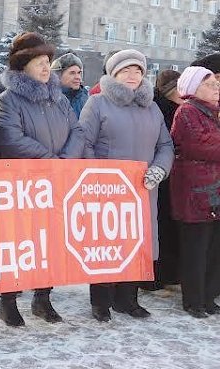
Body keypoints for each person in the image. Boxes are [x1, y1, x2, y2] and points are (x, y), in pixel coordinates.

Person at [0, 32, 84, 326]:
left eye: (48, 62)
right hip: (23, 186)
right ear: (23, 67)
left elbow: (77, 131)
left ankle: (43, 299)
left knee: (52, 243)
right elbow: (10, 138)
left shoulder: (58, 99)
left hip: (57, 183)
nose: (46, 68)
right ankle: (8, 300)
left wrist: (66, 162)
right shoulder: (8, 99)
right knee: (19, 243)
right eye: (38, 62)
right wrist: (51, 161)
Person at [80, 49, 174, 322]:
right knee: (106, 244)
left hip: (143, 189)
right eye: (125, 70)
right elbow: (84, 141)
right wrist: (97, 175)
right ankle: (101, 301)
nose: (132, 76)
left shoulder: (152, 107)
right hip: (105, 191)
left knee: (137, 244)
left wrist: (159, 168)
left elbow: (165, 145)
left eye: (138, 71)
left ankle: (127, 299)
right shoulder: (97, 103)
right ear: (113, 74)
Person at [170, 66, 220, 318]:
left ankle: (209, 297)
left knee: (214, 249)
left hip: (214, 190)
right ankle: (193, 300)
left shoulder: (214, 112)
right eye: (209, 84)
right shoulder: (187, 111)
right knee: (196, 249)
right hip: (195, 191)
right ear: (193, 88)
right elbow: (201, 146)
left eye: (216, 83)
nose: (216, 87)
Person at [150, 69, 183, 289]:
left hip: (172, 174)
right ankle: (157, 274)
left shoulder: (182, 107)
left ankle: (170, 273)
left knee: (170, 225)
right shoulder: (159, 108)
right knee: (159, 225)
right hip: (157, 174)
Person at [51, 52, 89, 118]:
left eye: (79, 73)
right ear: (58, 75)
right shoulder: (49, 99)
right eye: (72, 73)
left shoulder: (85, 99)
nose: (78, 77)